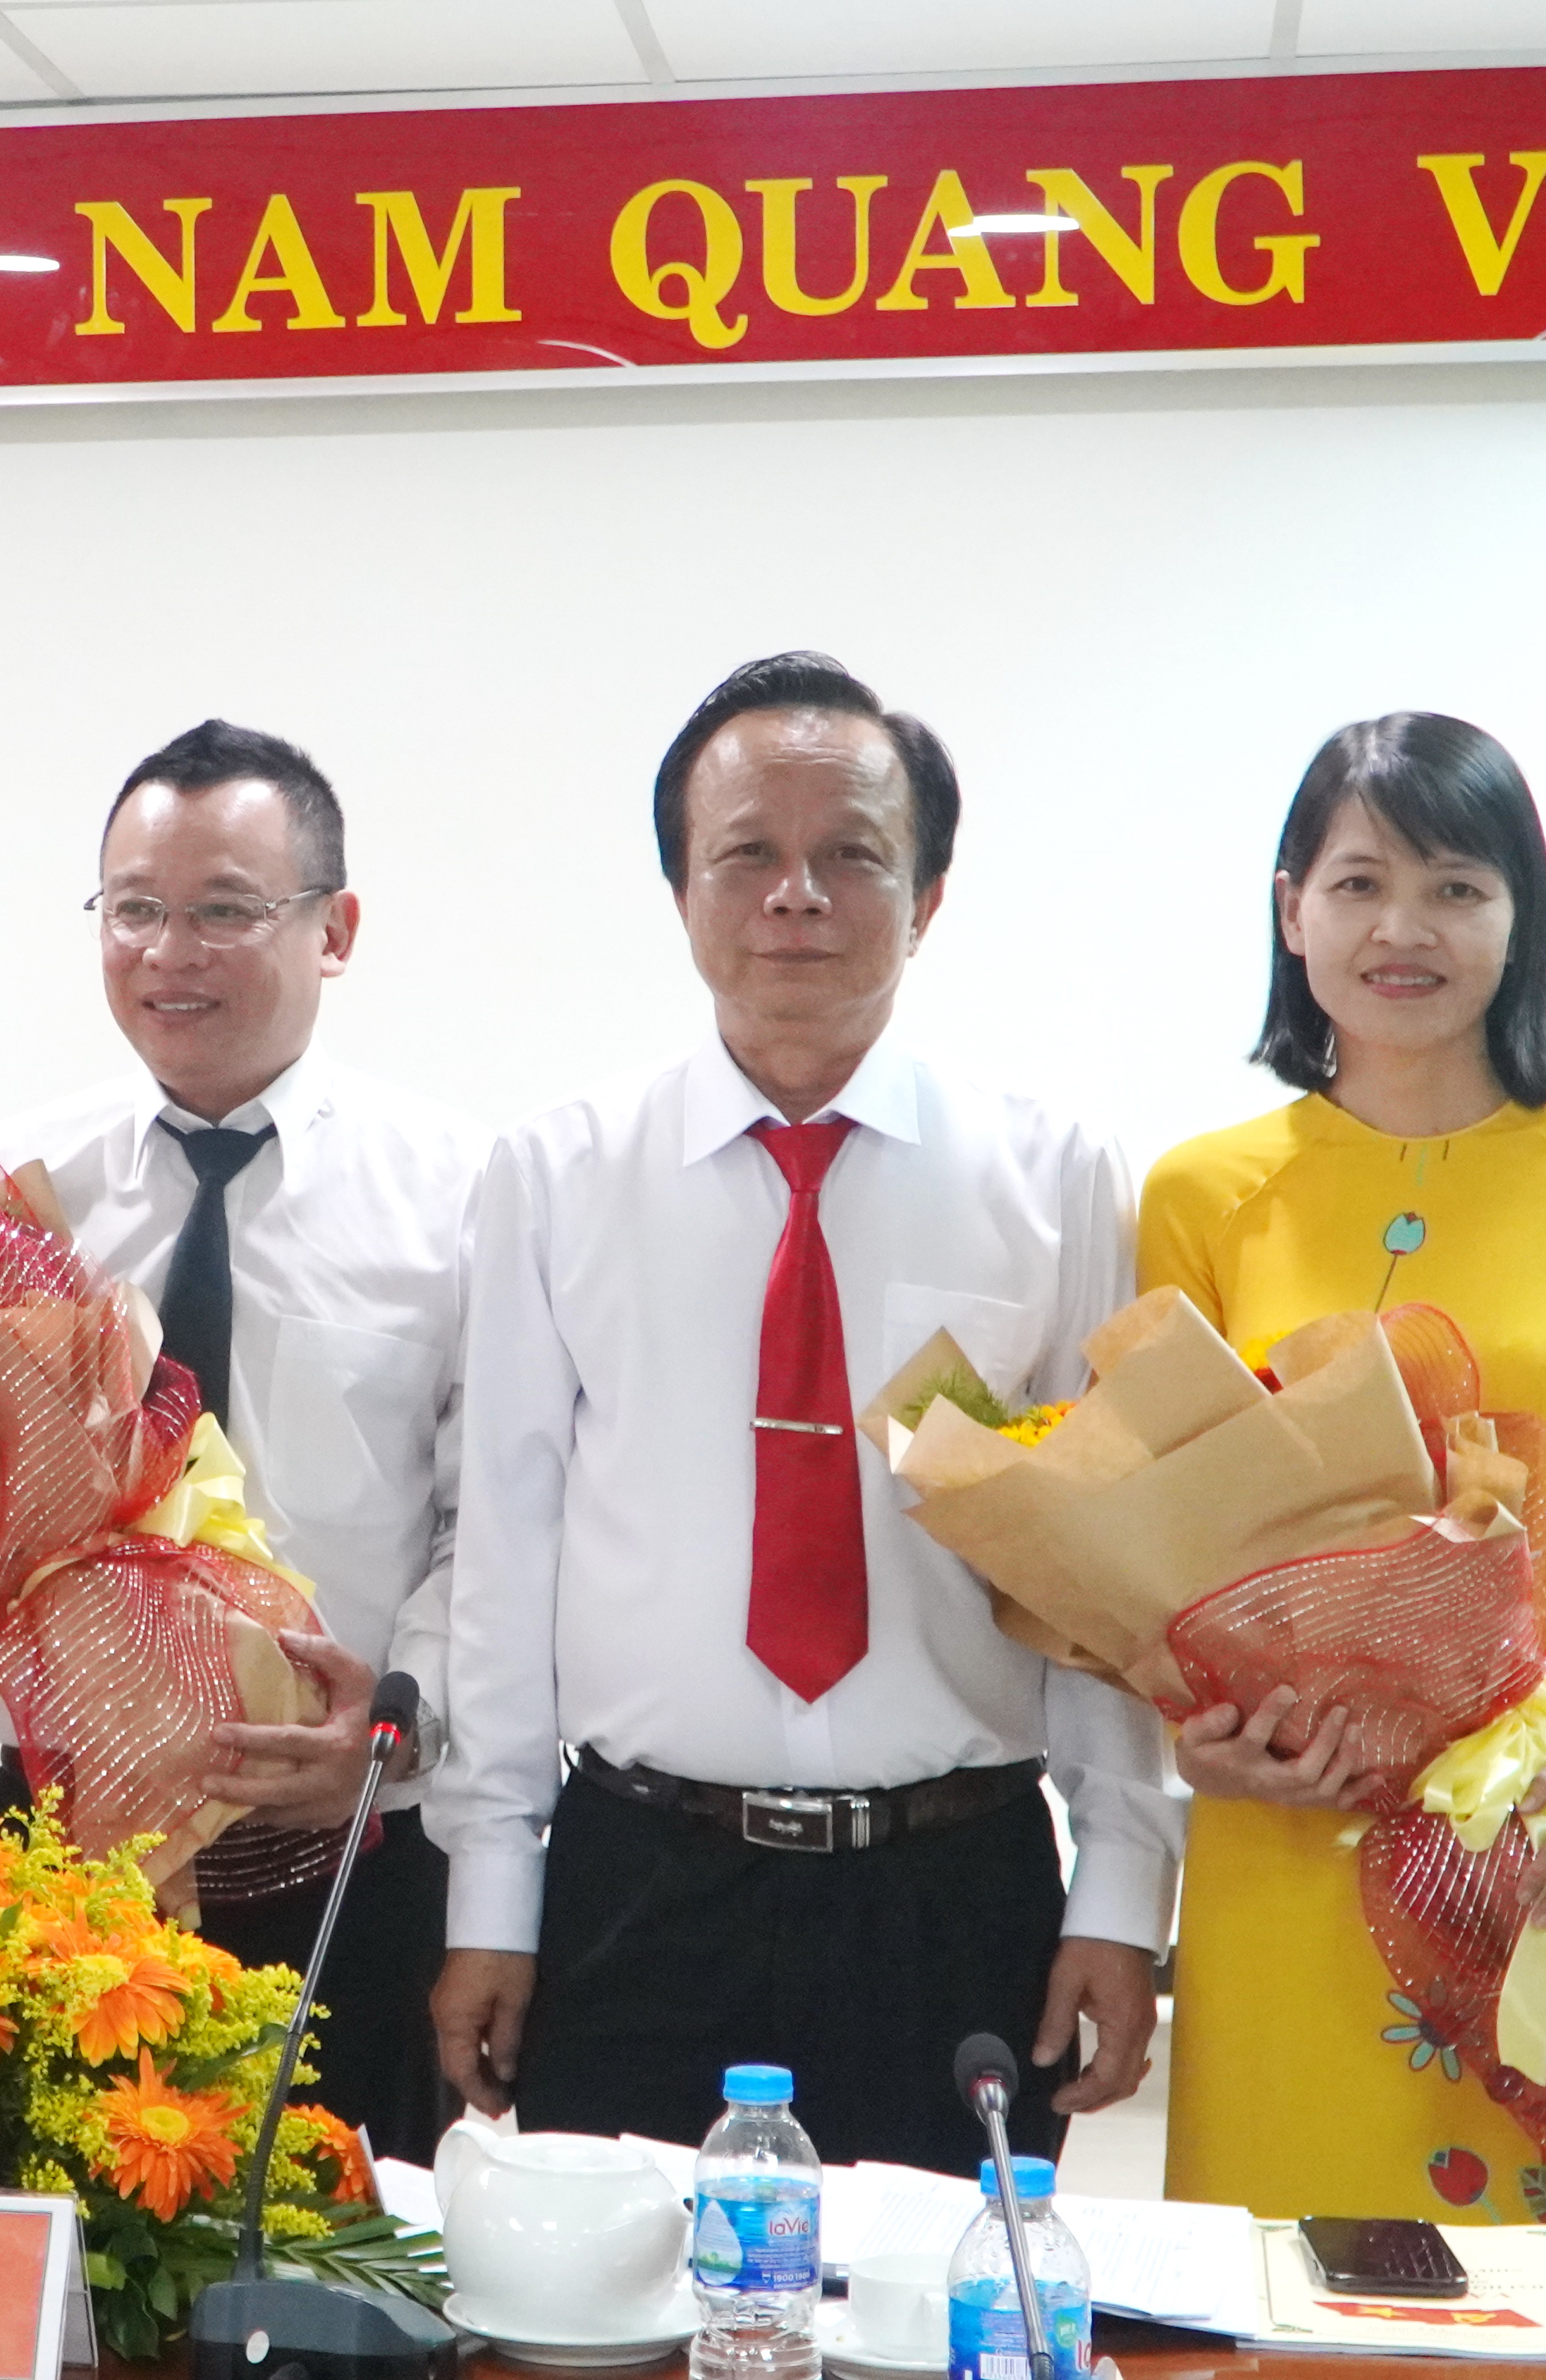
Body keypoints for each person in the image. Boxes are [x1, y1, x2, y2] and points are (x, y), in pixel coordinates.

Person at [431, 653, 1179, 2173]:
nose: (796, 895)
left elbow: (1104, 1584)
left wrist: (1121, 1889)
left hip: (952, 1888)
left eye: (851, 854)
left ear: (929, 896)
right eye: (747, 855)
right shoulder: (558, 1175)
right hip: (639, 1881)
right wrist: (490, 1898)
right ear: (681, 891)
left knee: (946, 2291)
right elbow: (506, 1554)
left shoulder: (1052, 1178)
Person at [0, 720, 485, 2157]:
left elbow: (493, 1530)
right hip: (59, 1838)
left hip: (349, 1841)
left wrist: (401, 1725)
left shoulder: (463, 1192)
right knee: (69, 2251)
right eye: (134, 908)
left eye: (226, 910)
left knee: (350, 2249)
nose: (169, 952)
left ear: (335, 930)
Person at [1141, 713, 1546, 2233]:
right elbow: (1161, 1556)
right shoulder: (1203, 1193)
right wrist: (1198, 1738)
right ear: (1293, 912)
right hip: (1293, 1855)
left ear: (1522, 916)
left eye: (1456, 887)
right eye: (1358, 885)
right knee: (1272, 2305)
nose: (1401, 929)